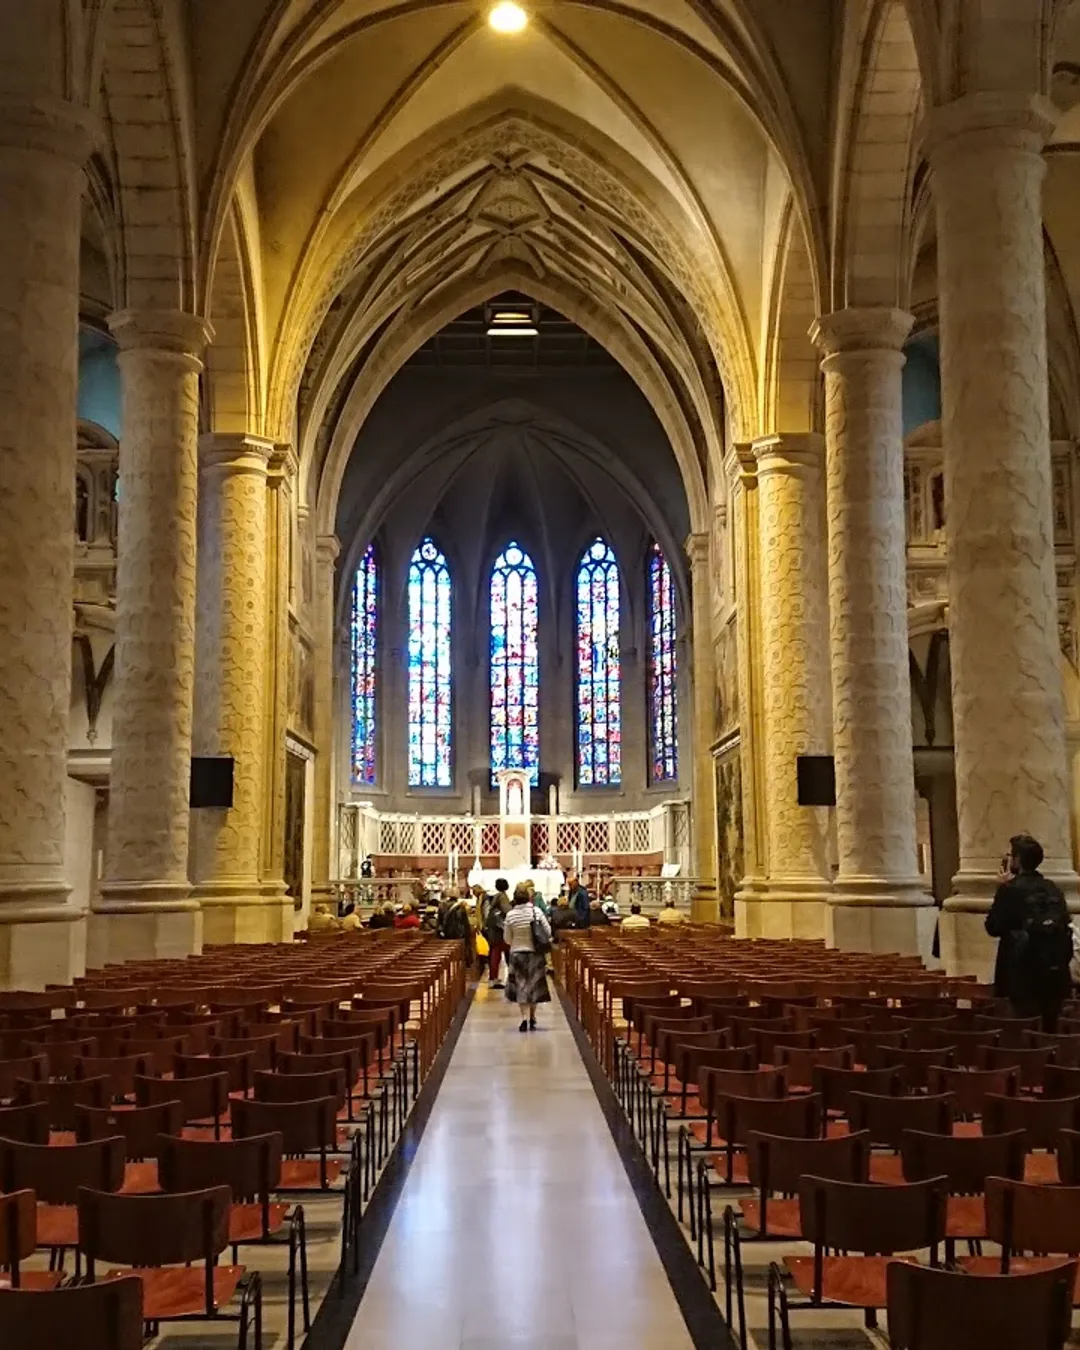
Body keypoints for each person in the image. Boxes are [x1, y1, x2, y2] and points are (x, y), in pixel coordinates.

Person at [985, 833, 1072, 1031]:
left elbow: (993, 927)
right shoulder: (1053, 888)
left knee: (1024, 1031)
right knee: (1050, 1030)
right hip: (1054, 973)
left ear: (1017, 860)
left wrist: (1001, 889)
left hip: (1021, 974)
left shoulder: (1010, 890)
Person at [503, 882, 552, 1031]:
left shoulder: (511, 915)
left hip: (517, 953)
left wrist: (516, 943)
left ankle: (524, 1018)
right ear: (529, 898)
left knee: (521, 986)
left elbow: (507, 938)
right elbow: (548, 931)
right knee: (534, 985)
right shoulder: (536, 912)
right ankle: (532, 1017)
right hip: (535, 953)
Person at [484, 879, 510, 987]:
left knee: (495, 953)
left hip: (493, 929)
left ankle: (493, 977)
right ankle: (494, 978)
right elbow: (507, 910)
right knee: (498, 953)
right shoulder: (502, 897)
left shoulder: (496, 897)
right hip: (499, 930)